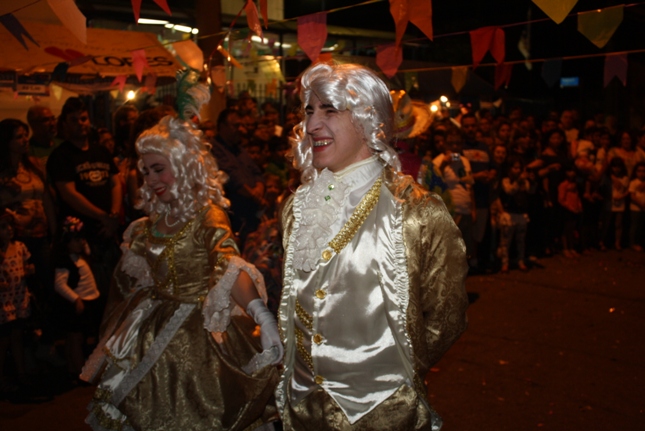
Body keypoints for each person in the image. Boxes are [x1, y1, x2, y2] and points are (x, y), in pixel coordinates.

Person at [277, 63, 468, 430]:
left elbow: (446, 317)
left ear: (368, 119)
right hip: (302, 409)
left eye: (329, 110)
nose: (312, 125)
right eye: (309, 111)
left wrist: (391, 379)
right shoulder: (296, 207)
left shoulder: (416, 212)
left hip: (381, 414)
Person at [81, 115, 282, 431]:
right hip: (151, 329)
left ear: (184, 166)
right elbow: (133, 280)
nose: (151, 179)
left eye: (158, 169)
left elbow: (230, 266)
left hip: (200, 333)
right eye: (146, 171)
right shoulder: (150, 223)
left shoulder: (207, 215)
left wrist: (262, 316)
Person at [46, 97, 122, 297]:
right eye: (74, 120)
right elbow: (69, 193)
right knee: (89, 292)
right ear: (64, 124)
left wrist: (113, 215)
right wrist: (102, 216)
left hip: (108, 231)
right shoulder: (61, 156)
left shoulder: (101, 151)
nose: (80, 124)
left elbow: (115, 183)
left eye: (83, 119)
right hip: (80, 236)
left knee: (115, 289)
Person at [52, 216, 101, 382]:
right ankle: (81, 372)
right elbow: (59, 284)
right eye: (77, 240)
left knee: (76, 337)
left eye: (82, 239)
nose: (81, 243)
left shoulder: (79, 257)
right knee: (75, 338)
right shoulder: (65, 262)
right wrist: (76, 299)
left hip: (88, 301)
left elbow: (88, 252)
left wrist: (84, 244)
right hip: (77, 304)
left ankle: (73, 369)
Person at [211, 109, 266, 247]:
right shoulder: (214, 149)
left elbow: (256, 172)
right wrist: (255, 196)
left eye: (242, 125)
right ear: (222, 126)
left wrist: (259, 188)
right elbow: (232, 179)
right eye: (235, 126)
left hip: (251, 214)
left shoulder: (240, 149)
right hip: (233, 214)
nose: (241, 129)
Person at [0, 208, 35, 394]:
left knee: (17, 336)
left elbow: (29, 266)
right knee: (3, 339)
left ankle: (21, 373)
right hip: (4, 302)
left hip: (19, 297)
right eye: (3, 227)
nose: (8, 230)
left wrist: (29, 270)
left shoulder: (20, 247)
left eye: (10, 226)